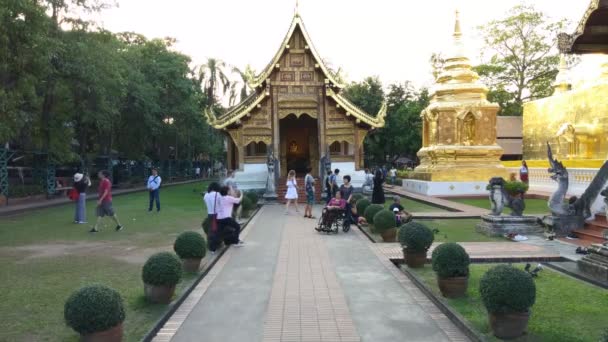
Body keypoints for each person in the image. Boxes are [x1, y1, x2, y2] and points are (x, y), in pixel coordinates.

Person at [204, 182, 222, 253]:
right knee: (217, 231)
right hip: (217, 214)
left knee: (211, 230)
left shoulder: (206, 195)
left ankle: (211, 247)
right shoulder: (218, 194)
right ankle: (216, 245)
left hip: (210, 214)